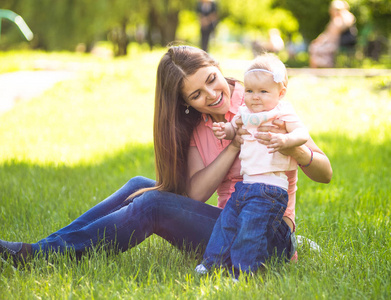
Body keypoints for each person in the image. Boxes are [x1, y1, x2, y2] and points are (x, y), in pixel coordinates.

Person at [0, 46, 332, 274]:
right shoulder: (197, 127)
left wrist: (296, 151)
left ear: (217, 67)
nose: (212, 95)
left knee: (154, 205)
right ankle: (40, 250)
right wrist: (233, 146)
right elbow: (194, 196)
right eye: (196, 95)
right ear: (186, 103)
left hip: (265, 235)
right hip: (227, 225)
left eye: (211, 79)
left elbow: (325, 171)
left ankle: (37, 255)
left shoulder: (260, 99)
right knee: (141, 187)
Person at [195, 53, 310, 278]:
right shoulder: (245, 112)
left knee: (250, 229)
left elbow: (302, 133)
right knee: (226, 223)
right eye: (249, 91)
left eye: (263, 91)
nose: (255, 97)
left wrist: (286, 141)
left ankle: (243, 272)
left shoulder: (281, 112)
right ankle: (212, 263)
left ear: (281, 93)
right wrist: (224, 131)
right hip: (246, 184)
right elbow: (233, 129)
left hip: (270, 187)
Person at [309, 0, 356, 68]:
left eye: (337, 10)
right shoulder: (334, 21)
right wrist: (318, 40)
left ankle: (323, 67)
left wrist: (343, 14)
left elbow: (348, 21)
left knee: (315, 49)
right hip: (329, 44)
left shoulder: (344, 19)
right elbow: (326, 34)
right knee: (314, 47)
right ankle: (316, 69)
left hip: (335, 44)